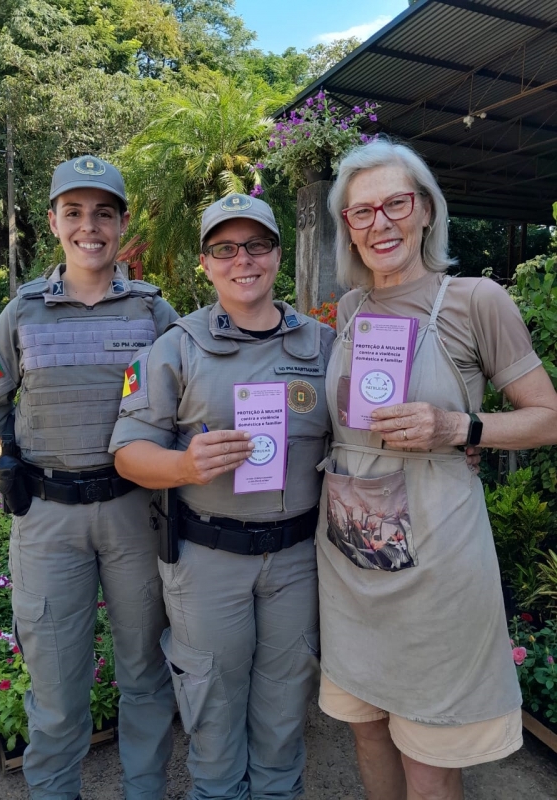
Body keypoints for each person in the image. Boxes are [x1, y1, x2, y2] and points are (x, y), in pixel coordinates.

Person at [316, 139, 557, 800]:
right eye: (361, 213)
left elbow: (548, 416)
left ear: (425, 210)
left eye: (395, 203)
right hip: (351, 558)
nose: (380, 223)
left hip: (437, 565)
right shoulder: (351, 309)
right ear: (349, 231)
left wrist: (460, 428)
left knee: (428, 748)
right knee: (366, 727)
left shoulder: (476, 300)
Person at [0, 155, 178, 800]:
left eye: (104, 213)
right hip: (47, 518)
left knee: (144, 670)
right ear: (54, 221)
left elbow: (191, 398)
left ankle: (143, 789)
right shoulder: (22, 312)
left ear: (123, 224)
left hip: (133, 512)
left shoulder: (153, 312)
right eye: (75, 212)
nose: (90, 227)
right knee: (56, 681)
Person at [110, 193, 335, 800]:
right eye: (225, 249)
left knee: (286, 707)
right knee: (211, 711)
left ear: (278, 255)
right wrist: (183, 463)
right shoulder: (176, 347)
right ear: (205, 263)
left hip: (297, 560)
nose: (244, 261)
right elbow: (128, 452)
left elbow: (367, 434)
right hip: (207, 560)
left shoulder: (324, 345)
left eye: (257, 245)